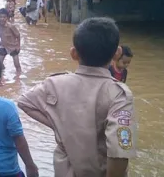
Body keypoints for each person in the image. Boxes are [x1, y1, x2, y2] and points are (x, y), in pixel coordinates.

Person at [18, 17, 137, 177]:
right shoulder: (119, 95)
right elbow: (120, 153)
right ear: (117, 53)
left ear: (74, 53)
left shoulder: (54, 84)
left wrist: (60, 125)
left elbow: (25, 102)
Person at [0, 8, 21, 73]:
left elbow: (18, 35)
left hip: (12, 46)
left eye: (4, 17)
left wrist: (18, 46)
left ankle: (18, 78)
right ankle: (3, 71)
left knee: (17, 65)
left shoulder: (11, 26)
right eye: (0, 17)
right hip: (3, 46)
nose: (2, 19)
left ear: (7, 18)